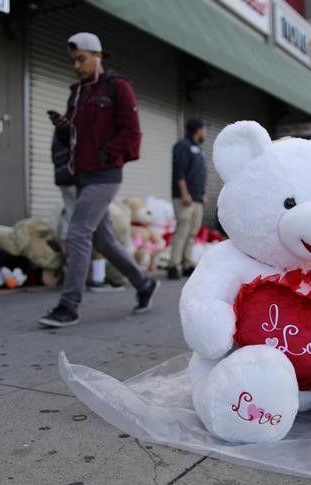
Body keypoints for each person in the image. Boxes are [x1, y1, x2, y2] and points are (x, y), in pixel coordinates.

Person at [38, 32, 159, 328]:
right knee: (103, 240)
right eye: (73, 61)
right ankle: (144, 284)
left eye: (81, 59)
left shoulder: (118, 87)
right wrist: (63, 129)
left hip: (105, 175)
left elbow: (132, 133)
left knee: (79, 232)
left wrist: (106, 154)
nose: (77, 66)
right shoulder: (76, 93)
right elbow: (73, 137)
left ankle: (69, 306)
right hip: (82, 175)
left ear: (98, 56)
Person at [52, 134, 121, 292]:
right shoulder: (80, 122)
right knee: (92, 228)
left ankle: (71, 278)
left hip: (65, 179)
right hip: (82, 181)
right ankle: (97, 278)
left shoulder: (61, 129)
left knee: (72, 225)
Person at [168, 118, 207, 280]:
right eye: (204, 129)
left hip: (197, 198)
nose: (205, 132)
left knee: (192, 233)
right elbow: (180, 172)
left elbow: (199, 174)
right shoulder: (183, 146)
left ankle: (187, 263)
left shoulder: (198, 148)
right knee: (182, 231)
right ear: (197, 130)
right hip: (185, 198)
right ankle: (173, 265)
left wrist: (202, 194)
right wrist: (184, 193)